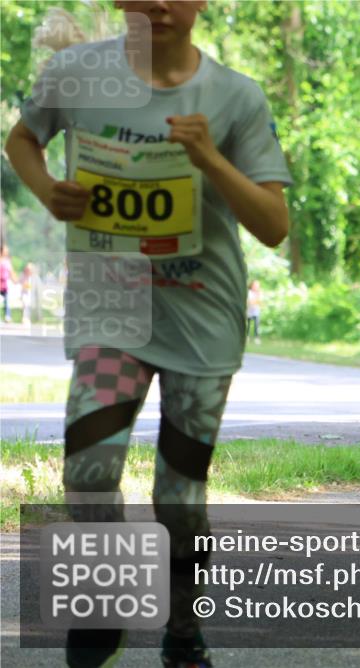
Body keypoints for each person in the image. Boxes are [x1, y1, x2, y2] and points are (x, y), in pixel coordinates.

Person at [4, 2, 292, 666]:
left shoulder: (233, 96)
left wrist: (210, 159)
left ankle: (184, 630)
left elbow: (275, 224)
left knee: (178, 497)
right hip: (115, 308)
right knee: (89, 468)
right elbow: (24, 138)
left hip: (201, 318)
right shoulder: (75, 72)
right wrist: (48, 189)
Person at [0, 245, 17, 322]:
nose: (7, 252)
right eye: (5, 250)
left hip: (5, 284)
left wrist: (15, 280)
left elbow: (11, 271)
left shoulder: (7, 261)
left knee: (7, 301)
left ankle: (7, 316)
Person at [247, 279, 262, 345]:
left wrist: (255, 301)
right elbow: (249, 302)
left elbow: (260, 302)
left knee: (256, 325)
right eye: (255, 285)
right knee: (248, 325)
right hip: (249, 311)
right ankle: (247, 337)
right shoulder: (249, 292)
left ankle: (256, 338)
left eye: (257, 285)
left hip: (256, 311)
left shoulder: (259, 293)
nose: (256, 287)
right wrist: (255, 301)